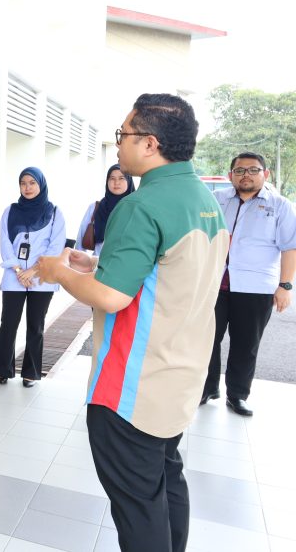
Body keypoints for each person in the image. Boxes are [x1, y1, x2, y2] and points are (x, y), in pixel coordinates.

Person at [36, 93, 228, 552]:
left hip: (131, 390)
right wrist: (95, 262)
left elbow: (110, 296)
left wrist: (58, 272)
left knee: (139, 506)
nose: (119, 143)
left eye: (124, 133)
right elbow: (167, 272)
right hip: (178, 378)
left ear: (150, 143)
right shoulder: (204, 199)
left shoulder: (141, 205)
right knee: (165, 480)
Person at [201, 151, 296, 416]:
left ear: (265, 174)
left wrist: (285, 286)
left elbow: (290, 247)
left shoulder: (280, 205)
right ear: (230, 175)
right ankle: (206, 388)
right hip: (215, 285)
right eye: (240, 170)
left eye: (253, 170)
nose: (246, 175)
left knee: (246, 344)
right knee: (206, 339)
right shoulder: (215, 200)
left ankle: (237, 395)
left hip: (256, 288)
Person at [0, 167, 66, 387]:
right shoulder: (10, 211)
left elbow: (55, 247)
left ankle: (31, 373)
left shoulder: (54, 212)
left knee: (36, 326)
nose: (27, 187)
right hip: (14, 276)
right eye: (23, 183)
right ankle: (3, 370)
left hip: (41, 278)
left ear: (41, 185)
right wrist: (18, 270)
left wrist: (32, 271)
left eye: (32, 183)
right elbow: (5, 243)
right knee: (8, 323)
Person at [76, 164, 135, 255]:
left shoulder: (136, 208)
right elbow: (81, 239)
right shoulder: (95, 207)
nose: (116, 182)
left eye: (121, 178)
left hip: (127, 261)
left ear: (129, 181)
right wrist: (78, 258)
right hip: (98, 261)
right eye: (112, 178)